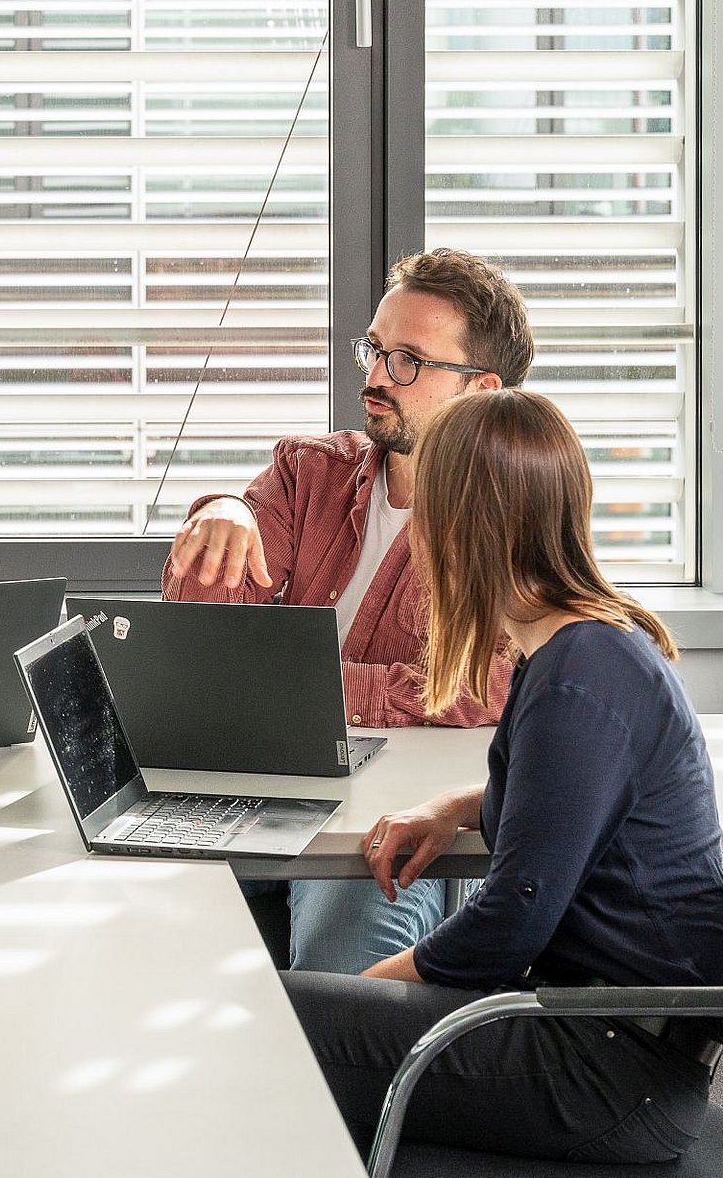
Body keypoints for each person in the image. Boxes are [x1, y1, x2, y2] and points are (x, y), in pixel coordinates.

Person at [283, 389, 723, 1162]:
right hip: (607, 1041)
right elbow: (572, 809)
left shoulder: (576, 676)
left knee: (268, 1020)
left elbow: (511, 918)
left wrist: (372, 990)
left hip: (605, 1071)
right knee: (303, 1019)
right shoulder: (575, 647)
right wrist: (461, 807)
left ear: (464, 526)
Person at [164, 248, 535, 973]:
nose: (372, 377)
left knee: (345, 979)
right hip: (257, 784)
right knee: (128, 926)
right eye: (374, 349)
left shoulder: (515, 512)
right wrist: (223, 511)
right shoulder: (311, 472)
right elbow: (202, 644)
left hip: (396, 813)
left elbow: (490, 682)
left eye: (407, 361)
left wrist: (306, 689)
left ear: (480, 389)